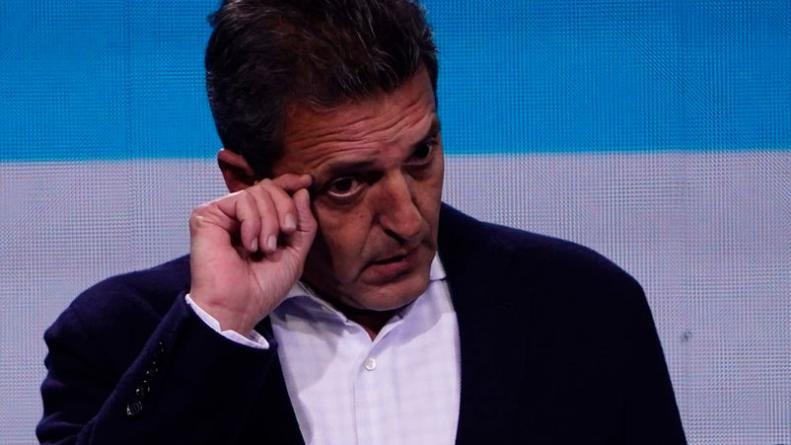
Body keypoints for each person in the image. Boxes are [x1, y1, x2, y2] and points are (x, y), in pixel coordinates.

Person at [37, 0, 687, 443]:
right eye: (347, 184)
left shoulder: (585, 310)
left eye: (421, 155)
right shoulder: (120, 337)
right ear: (244, 181)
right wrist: (217, 326)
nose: (407, 219)